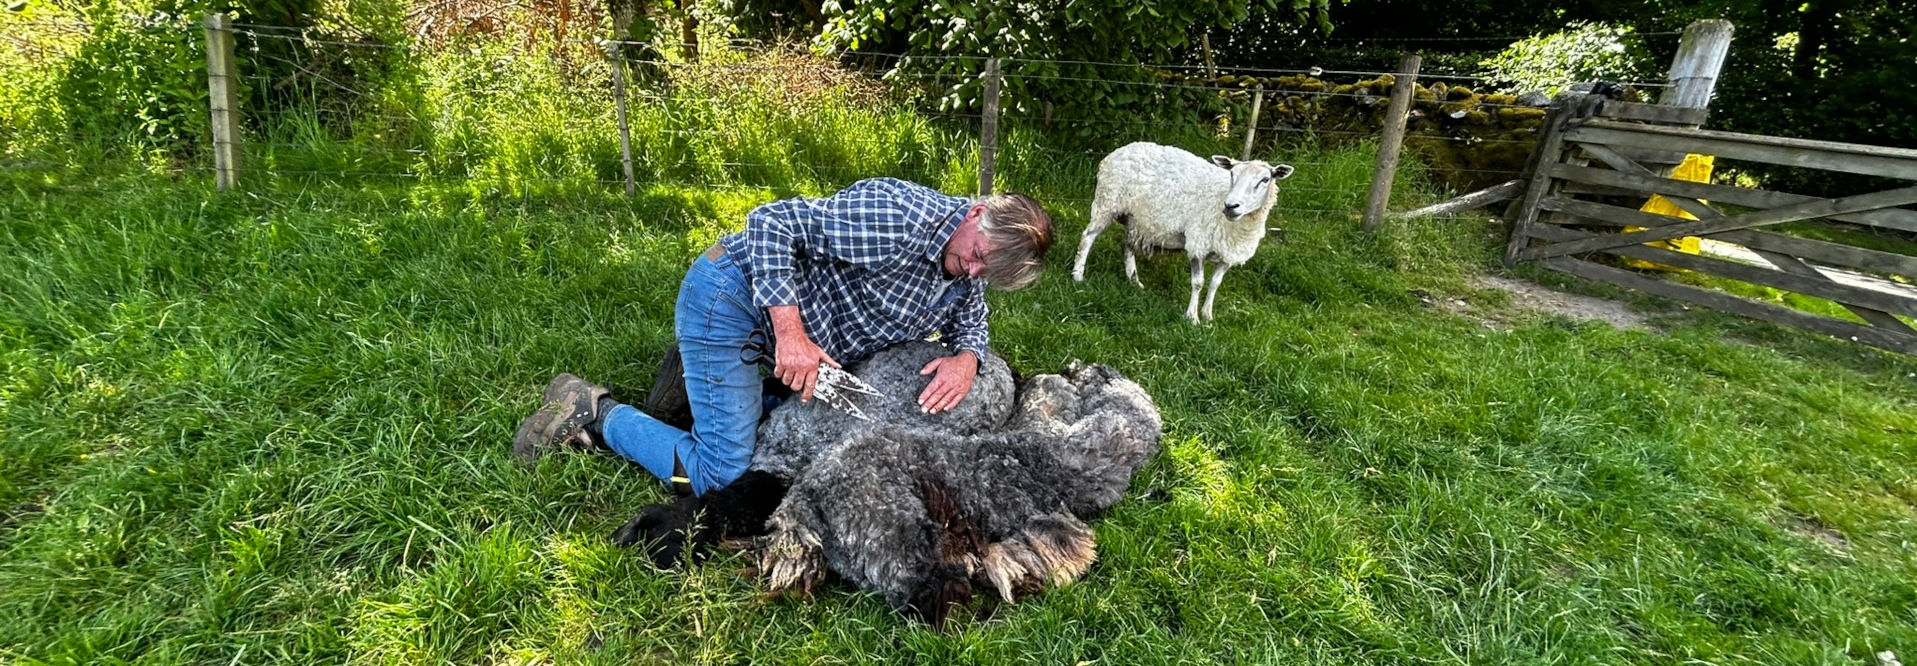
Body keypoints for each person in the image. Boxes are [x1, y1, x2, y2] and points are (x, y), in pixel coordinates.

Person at [512, 177, 1055, 496]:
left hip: (795, 341)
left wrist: (967, 357)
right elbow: (770, 222)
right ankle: (593, 411)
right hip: (734, 300)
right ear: (977, 213)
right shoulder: (899, 216)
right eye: (979, 258)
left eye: (989, 275)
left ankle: (709, 375)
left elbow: (970, 313)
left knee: (820, 423)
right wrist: (790, 334)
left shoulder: (967, 266)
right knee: (720, 474)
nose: (974, 273)